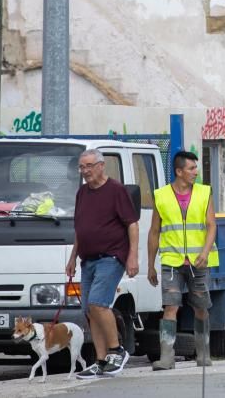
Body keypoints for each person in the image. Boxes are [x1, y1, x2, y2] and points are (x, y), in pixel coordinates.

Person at [65, 149, 139, 379]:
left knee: (98, 303)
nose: (85, 171)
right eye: (81, 167)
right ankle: (100, 360)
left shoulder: (116, 190)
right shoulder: (82, 193)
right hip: (88, 259)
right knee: (89, 310)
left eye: (88, 166)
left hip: (112, 256)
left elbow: (132, 224)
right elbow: (80, 229)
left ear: (101, 165)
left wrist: (133, 256)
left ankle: (117, 351)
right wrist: (72, 257)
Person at [148, 151, 218, 370]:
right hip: (172, 260)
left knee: (200, 307)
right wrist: (150, 265)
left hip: (199, 260)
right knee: (170, 306)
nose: (195, 172)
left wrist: (205, 253)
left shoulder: (204, 192)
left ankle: (203, 353)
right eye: (191, 169)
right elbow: (154, 232)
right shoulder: (161, 195)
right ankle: (167, 357)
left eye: (196, 168)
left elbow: (211, 225)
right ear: (179, 171)